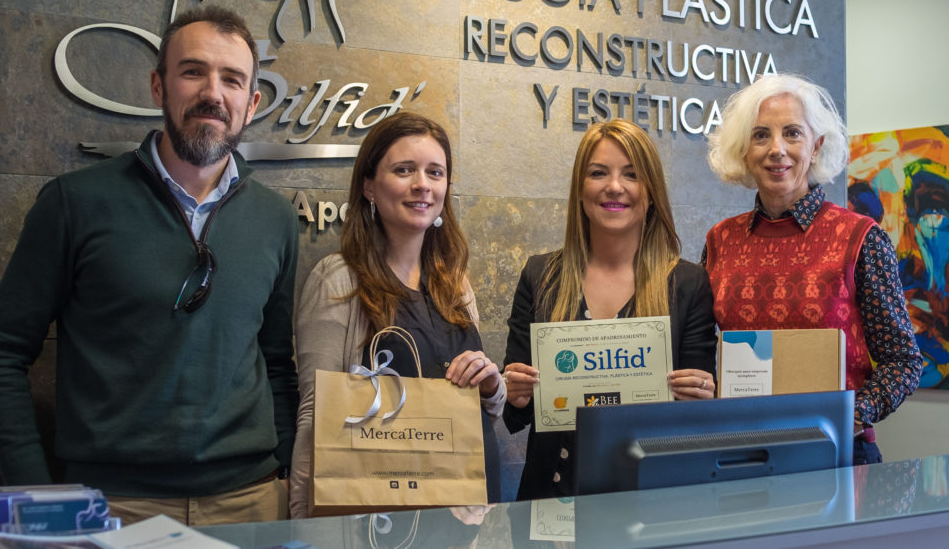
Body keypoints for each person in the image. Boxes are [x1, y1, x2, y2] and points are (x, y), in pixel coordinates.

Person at [0, 5, 300, 525]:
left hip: (250, 503)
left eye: (232, 79)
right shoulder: (74, 203)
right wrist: (39, 495)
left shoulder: (276, 218)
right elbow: (0, 355)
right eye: (193, 72)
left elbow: (277, 361)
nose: (213, 93)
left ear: (251, 101)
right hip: (115, 506)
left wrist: (281, 470)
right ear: (158, 87)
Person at [289, 112, 506, 517]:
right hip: (382, 520)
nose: (422, 184)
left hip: (469, 511)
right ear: (369, 186)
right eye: (404, 170)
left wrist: (492, 387)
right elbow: (315, 417)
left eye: (435, 172)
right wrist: (305, 525)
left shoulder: (455, 284)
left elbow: (484, 410)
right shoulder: (338, 280)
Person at [703, 73, 923, 464]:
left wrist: (848, 416)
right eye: (760, 136)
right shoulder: (720, 241)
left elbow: (902, 361)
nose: (776, 150)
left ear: (816, 146)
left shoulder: (859, 237)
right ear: (743, 149)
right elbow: (704, 352)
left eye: (792, 133)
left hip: (836, 451)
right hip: (740, 452)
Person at [503, 119, 717, 501]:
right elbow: (516, 411)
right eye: (598, 173)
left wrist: (702, 397)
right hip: (550, 499)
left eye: (631, 175)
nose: (614, 186)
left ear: (651, 191)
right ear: (580, 190)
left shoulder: (688, 283)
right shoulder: (540, 276)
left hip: (653, 500)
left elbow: (697, 422)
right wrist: (514, 392)